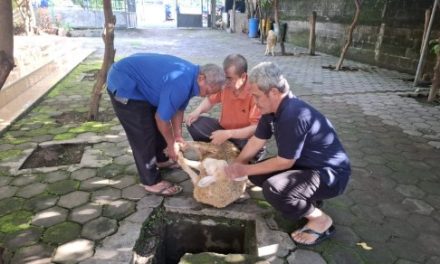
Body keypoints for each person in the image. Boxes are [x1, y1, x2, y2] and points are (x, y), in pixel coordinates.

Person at [225, 62, 351, 246]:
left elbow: (284, 162)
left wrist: (243, 170)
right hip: (307, 166)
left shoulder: (293, 114)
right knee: (257, 175)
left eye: (256, 96)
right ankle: (308, 199)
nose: (254, 101)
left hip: (332, 175)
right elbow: (256, 140)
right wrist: (237, 165)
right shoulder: (271, 110)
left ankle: (321, 220)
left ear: (274, 93)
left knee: (274, 189)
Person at [107, 53, 225, 196]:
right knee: (143, 134)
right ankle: (150, 181)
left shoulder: (191, 78)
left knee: (159, 127)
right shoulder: (181, 82)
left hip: (143, 87)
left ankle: (161, 160)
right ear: (201, 79)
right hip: (124, 84)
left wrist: (178, 136)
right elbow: (161, 119)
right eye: (207, 91)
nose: (205, 96)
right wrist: (171, 144)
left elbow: (178, 108)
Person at [185, 54, 263, 155]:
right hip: (223, 129)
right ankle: (214, 150)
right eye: (225, 77)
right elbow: (210, 100)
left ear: (243, 77)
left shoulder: (255, 91)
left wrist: (229, 134)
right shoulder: (224, 84)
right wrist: (196, 111)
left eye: (230, 78)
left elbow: (255, 128)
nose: (226, 82)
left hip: (243, 137)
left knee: (252, 148)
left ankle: (237, 152)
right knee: (193, 123)